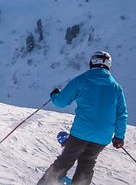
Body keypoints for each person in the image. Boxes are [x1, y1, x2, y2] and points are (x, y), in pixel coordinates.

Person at [37, 51, 127, 185]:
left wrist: (55, 95)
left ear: (91, 63)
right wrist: (119, 137)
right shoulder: (116, 88)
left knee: (65, 160)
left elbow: (61, 102)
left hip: (81, 132)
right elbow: (122, 114)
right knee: (87, 163)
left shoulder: (82, 80)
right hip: (103, 136)